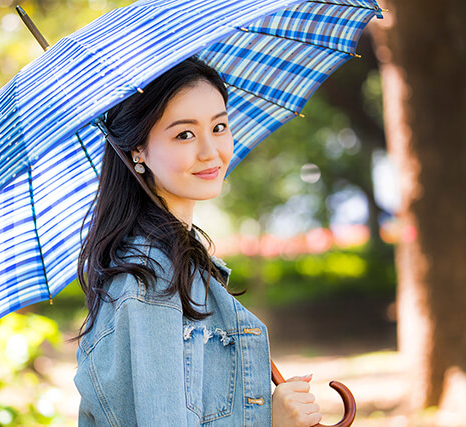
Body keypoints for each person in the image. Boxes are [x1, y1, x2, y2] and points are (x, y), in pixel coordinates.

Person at [72, 56, 322, 427]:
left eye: (219, 126)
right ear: (137, 150)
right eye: (184, 134)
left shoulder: (179, 261)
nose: (210, 151)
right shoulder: (151, 282)